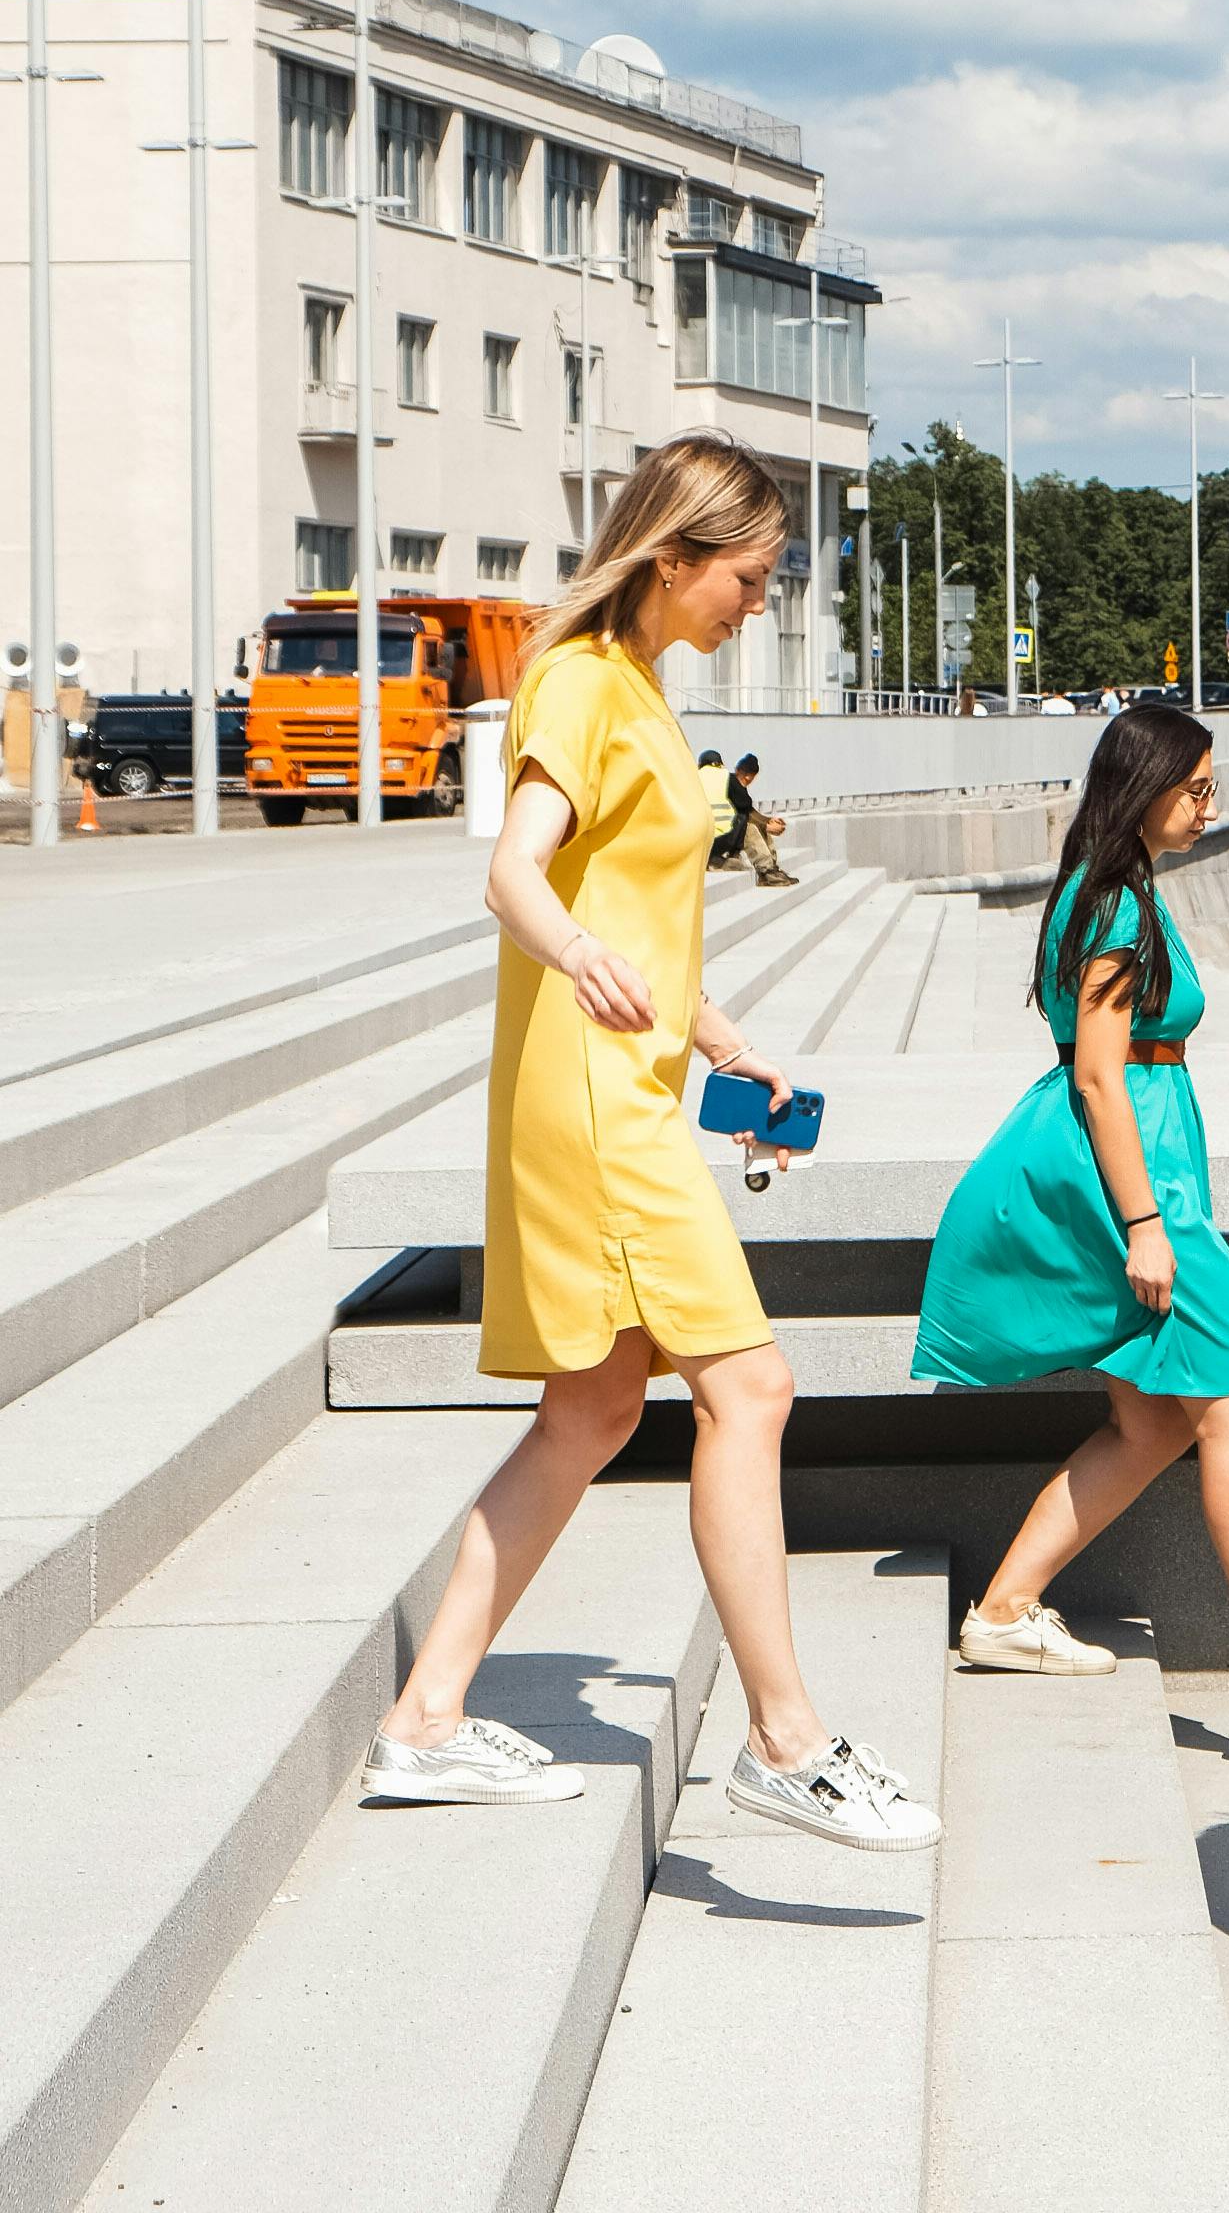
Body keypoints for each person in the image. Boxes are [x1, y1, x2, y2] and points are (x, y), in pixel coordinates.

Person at [364, 432, 938, 1854]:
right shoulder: (580, 684)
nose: (759, 600)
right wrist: (577, 957)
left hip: (627, 1078)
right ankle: (784, 1739)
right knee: (753, 1389)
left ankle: (425, 1721)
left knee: (594, 1412)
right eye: (747, 575)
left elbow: (626, 904)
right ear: (673, 556)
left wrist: (710, 1026)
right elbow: (514, 866)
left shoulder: (635, 691)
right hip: (595, 1101)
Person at [912, 701, 1229, 1746]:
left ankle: (1002, 1611)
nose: (1210, 806)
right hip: (1131, 1171)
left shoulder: (1104, 888)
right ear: (1148, 785)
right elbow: (1099, 1076)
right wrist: (1145, 1223)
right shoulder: (1114, 905)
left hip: (1127, 1157)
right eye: (1197, 787)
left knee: (1154, 1420)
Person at [726, 749, 794, 886]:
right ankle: (766, 872)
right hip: (721, 834)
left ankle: (772, 869)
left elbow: (748, 810)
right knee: (749, 828)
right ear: (739, 771)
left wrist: (768, 821)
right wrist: (766, 825)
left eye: (749, 779)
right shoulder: (730, 783)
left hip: (730, 831)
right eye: (746, 778)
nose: (746, 781)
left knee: (757, 826)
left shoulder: (738, 785)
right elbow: (740, 816)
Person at [694, 745, 739, 868]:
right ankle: (768, 871)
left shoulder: (693, 777)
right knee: (748, 825)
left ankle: (712, 860)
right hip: (726, 837)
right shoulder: (729, 777)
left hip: (701, 836)